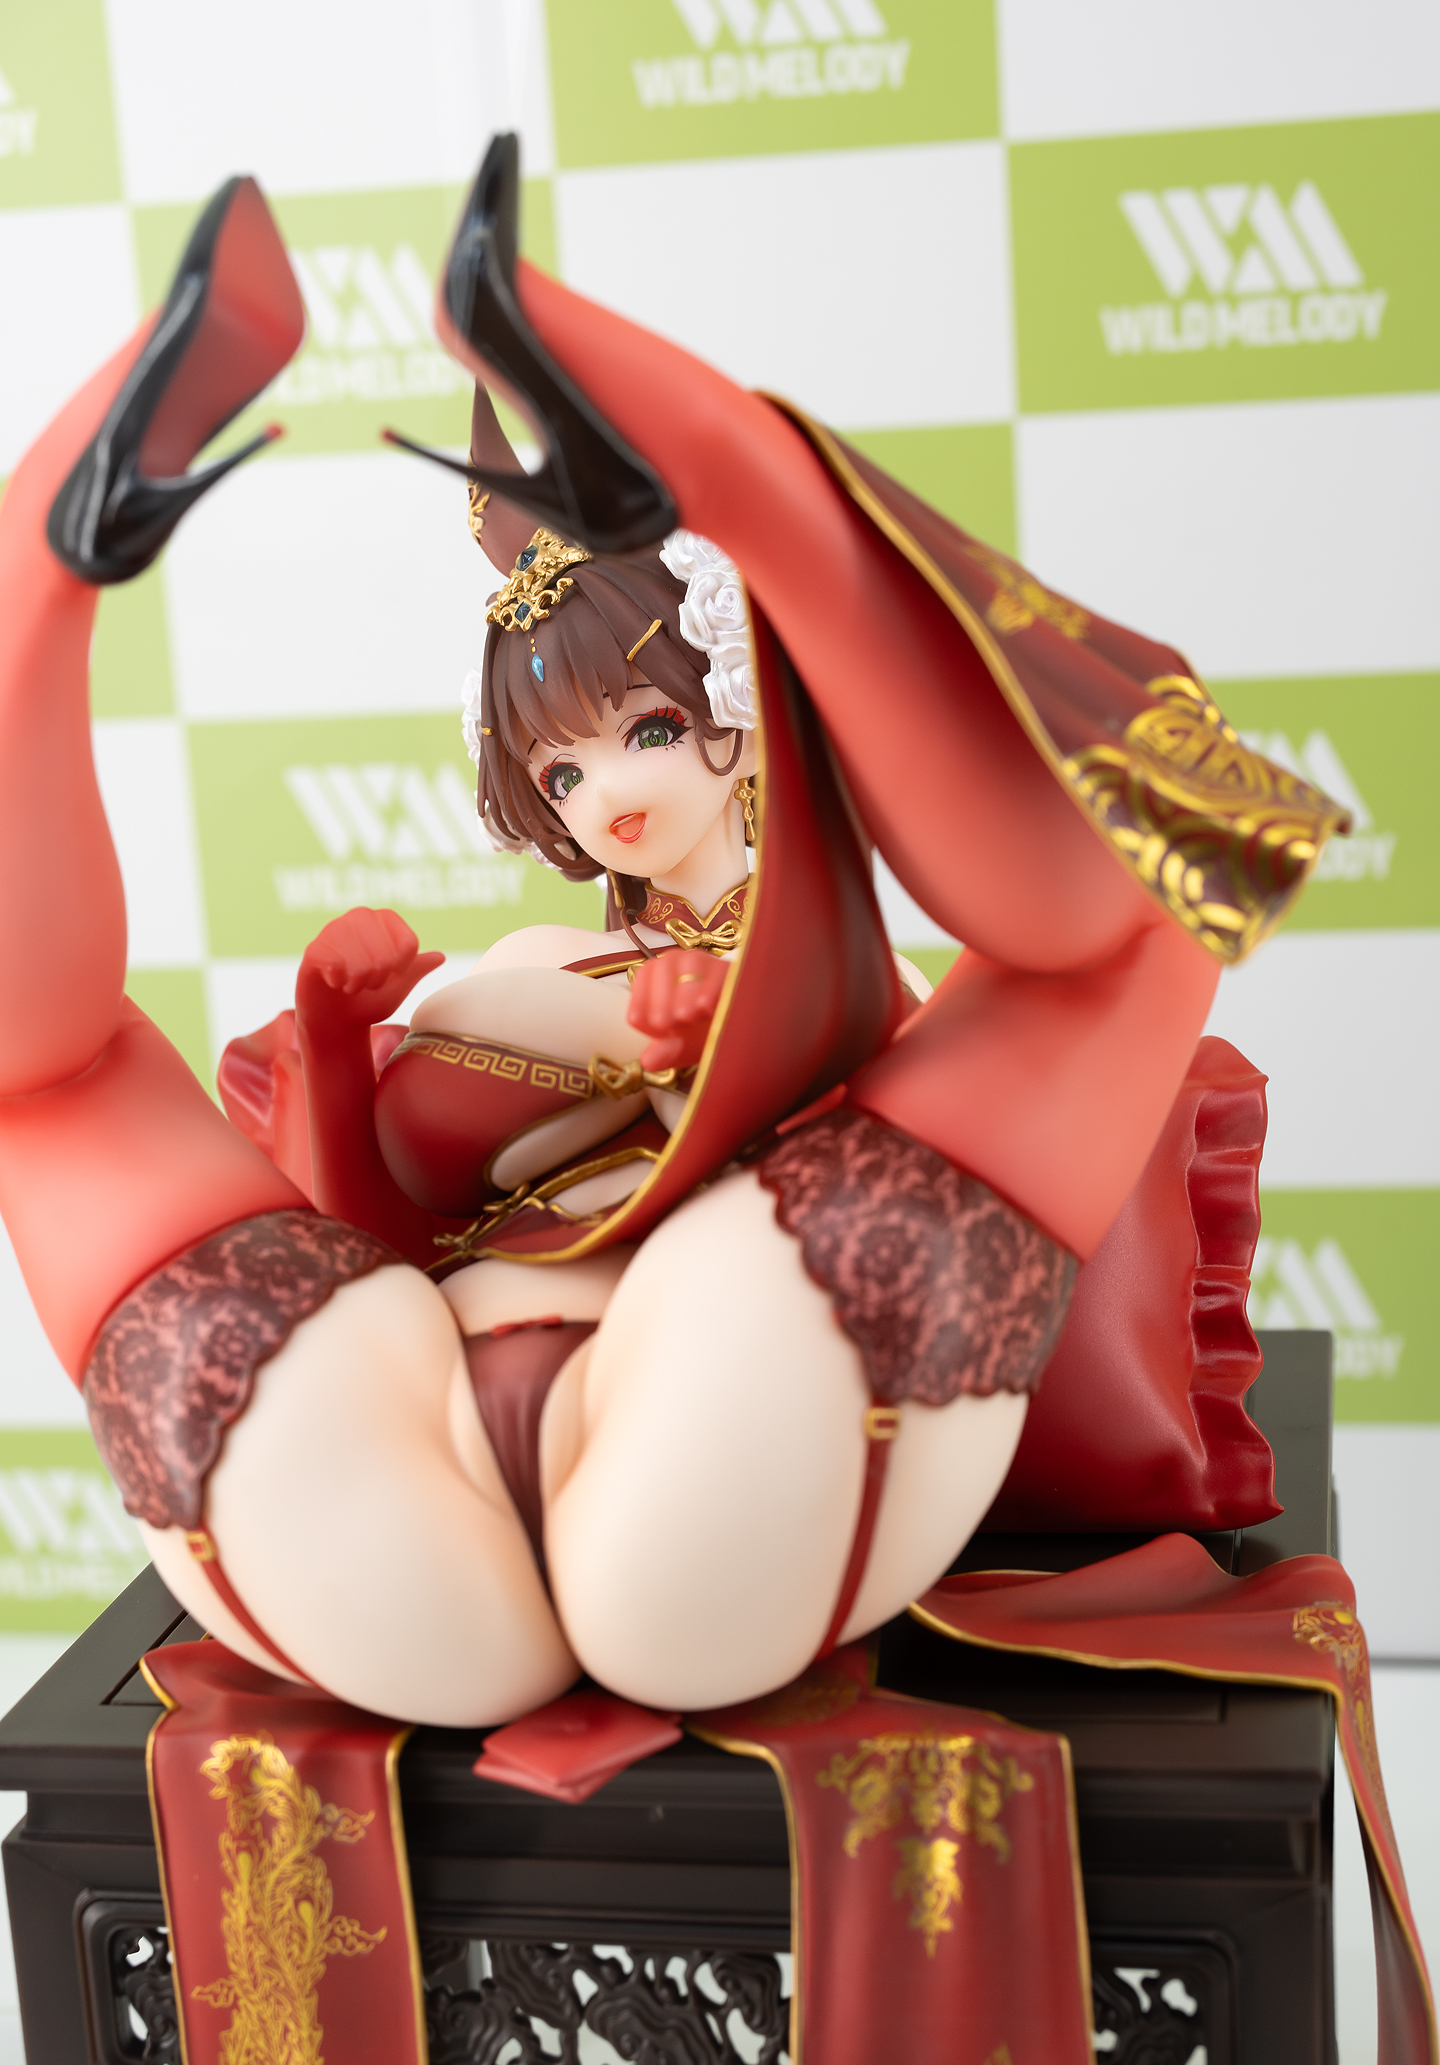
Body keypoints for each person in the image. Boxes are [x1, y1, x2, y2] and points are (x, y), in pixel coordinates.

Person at [0, 151, 1340, 1728]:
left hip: (652, 1421)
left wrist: (717, 1049)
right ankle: (733, 480)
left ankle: (51, 554)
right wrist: (342, 1042)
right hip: (410, 1419)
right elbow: (376, 1234)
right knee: (39, 1080)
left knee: (54, 1086)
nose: (607, 794)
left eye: (641, 728)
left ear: (733, 708)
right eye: (563, 772)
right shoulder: (523, 960)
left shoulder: (844, 983)